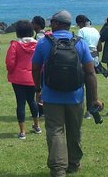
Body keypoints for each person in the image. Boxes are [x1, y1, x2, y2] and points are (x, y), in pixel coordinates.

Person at [32, 10, 103, 177]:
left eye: (52, 22)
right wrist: (94, 98)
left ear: (57, 24)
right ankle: (73, 163)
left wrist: (38, 89)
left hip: (51, 95)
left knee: (55, 131)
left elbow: (35, 68)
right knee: (74, 130)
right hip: (76, 96)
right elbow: (90, 73)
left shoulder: (44, 43)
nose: (50, 24)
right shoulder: (80, 43)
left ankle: (58, 169)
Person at [6, 20, 41, 139]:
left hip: (18, 78)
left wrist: (11, 72)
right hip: (32, 77)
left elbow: (10, 62)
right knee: (32, 101)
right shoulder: (37, 44)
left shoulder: (15, 45)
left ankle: (22, 131)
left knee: (20, 103)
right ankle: (37, 125)